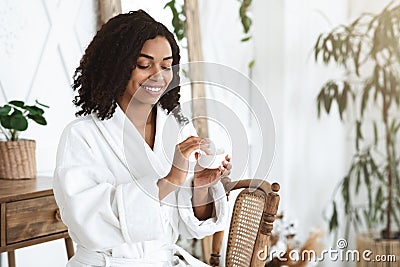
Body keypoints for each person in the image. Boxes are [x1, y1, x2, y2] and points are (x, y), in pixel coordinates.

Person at [53, 10, 232, 267]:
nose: (158, 76)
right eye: (144, 65)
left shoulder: (178, 128)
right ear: (116, 66)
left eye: (166, 65)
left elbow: (191, 225)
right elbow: (87, 222)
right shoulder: (82, 136)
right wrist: (171, 179)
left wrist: (201, 186)